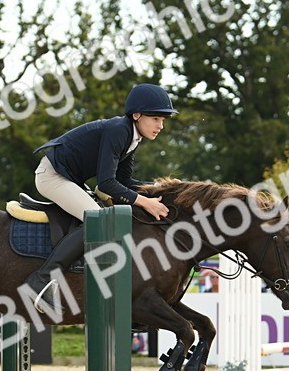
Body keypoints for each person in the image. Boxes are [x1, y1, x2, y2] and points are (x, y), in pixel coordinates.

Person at [20, 83, 176, 313]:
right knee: (99, 221)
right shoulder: (119, 131)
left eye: (163, 120)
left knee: (102, 216)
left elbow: (123, 181)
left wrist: (161, 187)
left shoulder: (132, 137)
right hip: (51, 176)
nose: (160, 125)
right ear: (137, 115)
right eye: (156, 119)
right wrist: (145, 202)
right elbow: (106, 184)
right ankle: (41, 279)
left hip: (69, 178)